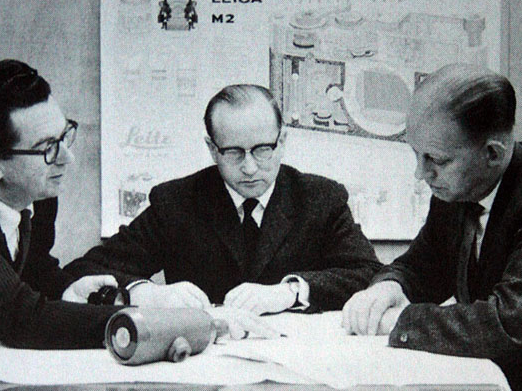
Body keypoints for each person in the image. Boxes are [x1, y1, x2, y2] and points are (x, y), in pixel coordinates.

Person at [0, 60, 271, 363]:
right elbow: (21, 318)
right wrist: (179, 324)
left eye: (65, 136)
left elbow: (36, 269)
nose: (67, 158)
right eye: (47, 148)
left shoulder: (36, 192)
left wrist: (67, 288)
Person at [66, 84, 381, 315]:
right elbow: (84, 270)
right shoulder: (176, 203)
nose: (249, 167)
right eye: (233, 152)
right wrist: (143, 293)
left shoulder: (320, 199)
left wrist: (291, 292)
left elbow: (368, 274)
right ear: (212, 148)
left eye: (262, 149)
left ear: (282, 141)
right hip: (201, 368)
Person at [341, 63, 522, 391]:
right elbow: (421, 266)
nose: (420, 174)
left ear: (492, 153)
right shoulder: (459, 189)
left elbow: (511, 323)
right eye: (416, 155)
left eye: (436, 160)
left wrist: (401, 322)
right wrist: (389, 287)